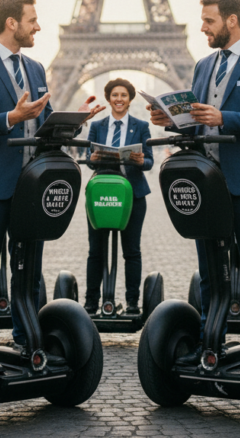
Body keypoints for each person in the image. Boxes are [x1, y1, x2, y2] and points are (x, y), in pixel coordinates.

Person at [0, 0, 103, 373]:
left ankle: (29, 343)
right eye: (32, 20)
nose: (38, 26)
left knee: (29, 270)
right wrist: (11, 115)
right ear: (11, 23)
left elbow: (45, 121)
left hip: (30, 186)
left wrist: (77, 119)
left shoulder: (36, 68)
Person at [148, 0, 240, 372]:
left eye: (209, 21)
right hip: (206, 181)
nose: (202, 27)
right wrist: (169, 119)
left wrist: (223, 118)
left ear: (232, 20)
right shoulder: (204, 65)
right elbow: (196, 120)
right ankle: (211, 343)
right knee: (209, 268)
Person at [84, 78, 153, 314]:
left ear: (130, 99)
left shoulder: (141, 126)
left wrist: (142, 160)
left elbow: (150, 161)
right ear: (108, 98)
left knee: (132, 251)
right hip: (102, 192)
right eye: (115, 95)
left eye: (124, 95)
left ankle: (133, 302)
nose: (119, 99)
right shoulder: (97, 126)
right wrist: (91, 158)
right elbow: (87, 157)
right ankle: (91, 301)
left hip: (132, 193)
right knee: (96, 251)